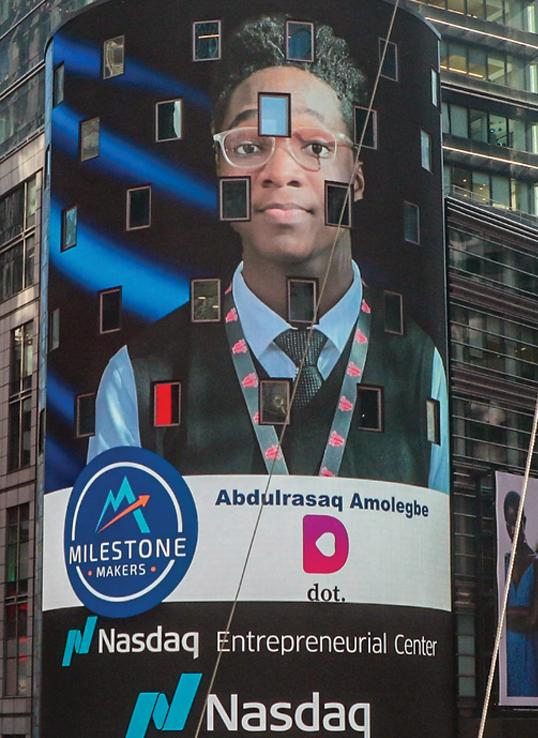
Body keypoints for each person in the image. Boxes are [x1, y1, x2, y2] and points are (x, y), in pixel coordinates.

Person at [88, 14, 449, 490]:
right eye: (251, 145)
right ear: (220, 169)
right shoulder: (138, 374)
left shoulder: (421, 366)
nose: (281, 172)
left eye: (316, 147)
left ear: (356, 177)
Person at [503, 490, 538, 696]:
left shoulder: (535, 563)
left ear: (524, 520)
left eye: (516, 520)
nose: (513, 528)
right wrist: (519, 613)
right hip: (508, 656)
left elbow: (533, 620)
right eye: (508, 522)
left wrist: (509, 615)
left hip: (528, 654)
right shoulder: (504, 561)